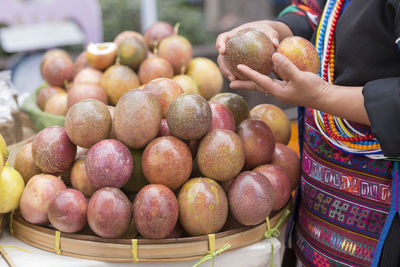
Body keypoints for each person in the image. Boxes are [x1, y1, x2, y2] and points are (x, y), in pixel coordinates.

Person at [216, 0, 400, 266]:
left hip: (384, 228)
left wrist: (324, 96)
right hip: (314, 217)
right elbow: (314, 11)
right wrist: (272, 29)